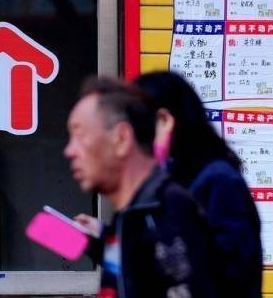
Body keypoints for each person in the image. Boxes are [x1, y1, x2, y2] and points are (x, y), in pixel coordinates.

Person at [64, 76, 217, 298]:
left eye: (80, 136)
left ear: (121, 138)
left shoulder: (166, 210)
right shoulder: (131, 215)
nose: (69, 151)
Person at [134, 71, 263, 298]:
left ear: (164, 121)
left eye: (136, 125)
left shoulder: (218, 180)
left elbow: (231, 270)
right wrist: (99, 241)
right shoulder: (174, 178)